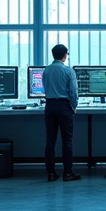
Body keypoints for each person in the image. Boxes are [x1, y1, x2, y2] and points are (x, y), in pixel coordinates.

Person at [43, 44, 81, 182]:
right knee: (67, 141)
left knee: (50, 141)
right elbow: (73, 91)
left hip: (50, 106)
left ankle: (51, 174)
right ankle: (68, 173)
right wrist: (74, 107)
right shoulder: (68, 71)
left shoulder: (46, 70)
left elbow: (45, 88)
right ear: (64, 55)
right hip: (64, 106)